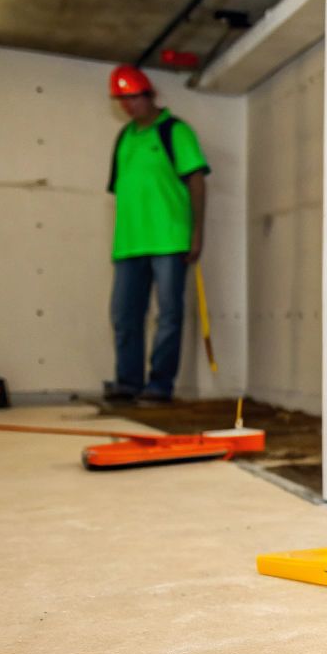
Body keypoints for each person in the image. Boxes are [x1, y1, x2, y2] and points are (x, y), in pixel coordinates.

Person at [104, 64, 210, 405]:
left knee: (169, 315)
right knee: (124, 315)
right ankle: (128, 383)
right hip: (129, 244)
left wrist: (196, 233)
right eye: (121, 99)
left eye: (132, 97)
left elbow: (196, 182)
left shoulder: (175, 131)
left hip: (169, 240)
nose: (127, 105)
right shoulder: (124, 138)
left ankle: (160, 385)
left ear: (149, 94)